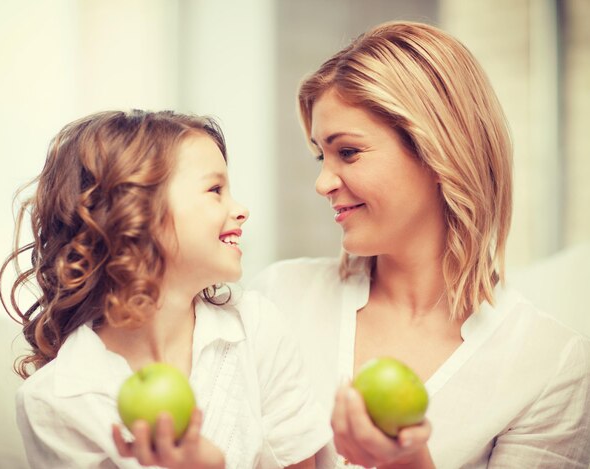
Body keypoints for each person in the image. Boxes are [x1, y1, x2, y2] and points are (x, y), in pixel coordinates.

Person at [250, 21, 590, 468]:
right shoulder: (278, 299)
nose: (322, 183)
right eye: (321, 155)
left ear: (437, 152)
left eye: (348, 152)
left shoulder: (550, 365)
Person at [0, 110, 329, 468]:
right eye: (215, 190)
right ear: (134, 215)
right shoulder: (56, 401)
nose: (241, 209)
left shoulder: (256, 326)